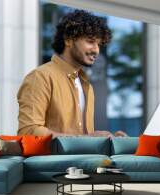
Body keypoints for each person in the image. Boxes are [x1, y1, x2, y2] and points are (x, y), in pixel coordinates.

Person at [17, 10, 128, 138]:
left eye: (98, 44)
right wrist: (86, 139)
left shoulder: (87, 86)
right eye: (91, 41)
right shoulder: (40, 77)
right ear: (69, 40)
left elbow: (84, 141)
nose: (96, 50)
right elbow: (28, 132)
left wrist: (109, 142)